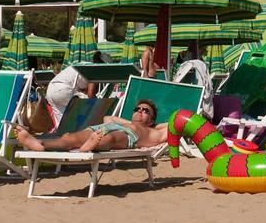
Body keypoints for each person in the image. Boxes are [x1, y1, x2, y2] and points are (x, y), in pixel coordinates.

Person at [15, 98, 166, 153]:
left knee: (111, 138)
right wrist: (132, 123)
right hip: (101, 129)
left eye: (145, 111)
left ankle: (91, 146)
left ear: (151, 120)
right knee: (69, 137)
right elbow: (108, 118)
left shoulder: (153, 132)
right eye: (137, 109)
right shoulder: (124, 122)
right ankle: (40, 143)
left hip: (127, 136)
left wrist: (156, 126)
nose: (140, 111)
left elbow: (174, 125)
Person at [46, 51, 105, 123]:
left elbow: (82, 87)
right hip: (64, 90)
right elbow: (90, 96)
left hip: (51, 90)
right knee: (89, 104)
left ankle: (64, 133)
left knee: (61, 123)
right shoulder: (94, 69)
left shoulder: (84, 65)